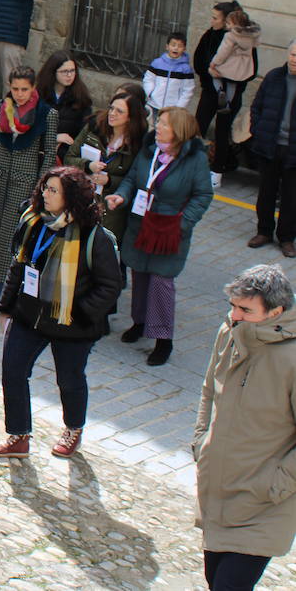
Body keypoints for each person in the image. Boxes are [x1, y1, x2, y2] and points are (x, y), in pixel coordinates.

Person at [0, 166, 124, 460]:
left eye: (53, 191)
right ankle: (19, 435)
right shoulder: (33, 221)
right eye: (45, 188)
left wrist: (78, 313)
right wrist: (6, 307)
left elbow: (111, 285)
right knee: (13, 371)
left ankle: (73, 428)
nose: (45, 195)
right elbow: (19, 265)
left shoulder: (94, 237)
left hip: (73, 327)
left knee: (69, 380)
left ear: (70, 197)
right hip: (29, 315)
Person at [194, 264, 296, 591]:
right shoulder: (229, 333)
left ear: (276, 312)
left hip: (264, 504)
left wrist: (275, 485)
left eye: (245, 309)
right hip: (220, 488)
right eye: (233, 306)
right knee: (215, 581)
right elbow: (209, 389)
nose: (234, 315)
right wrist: (200, 441)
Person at [106, 106, 214, 365]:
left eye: (164, 124)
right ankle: (140, 323)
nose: (158, 128)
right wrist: (121, 195)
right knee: (140, 274)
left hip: (169, 229)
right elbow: (133, 179)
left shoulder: (195, 159)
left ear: (178, 131)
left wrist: (183, 224)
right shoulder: (149, 149)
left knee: (161, 282)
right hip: (141, 224)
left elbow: (203, 195)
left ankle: (163, 339)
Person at [0, 66, 60, 307]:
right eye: (15, 88)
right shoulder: (1, 108)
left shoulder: (46, 114)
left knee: (10, 230)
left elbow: (48, 154)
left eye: (24, 89)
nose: (19, 94)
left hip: (25, 180)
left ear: (33, 88)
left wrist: (41, 187)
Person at [64, 92, 147, 242]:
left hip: (110, 211)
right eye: (111, 108)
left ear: (130, 117)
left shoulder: (137, 143)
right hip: (83, 199)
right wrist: (88, 165)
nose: (112, 113)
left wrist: (109, 181)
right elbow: (69, 158)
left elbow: (133, 179)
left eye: (119, 111)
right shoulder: (94, 127)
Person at [246, 39, 296, 257]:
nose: (295, 59)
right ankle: (264, 231)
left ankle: (286, 238)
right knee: (266, 192)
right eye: (293, 54)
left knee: (291, 197)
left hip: (293, 149)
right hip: (270, 145)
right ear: (288, 54)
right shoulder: (274, 77)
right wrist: (257, 130)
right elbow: (257, 106)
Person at [208, 8, 261, 179]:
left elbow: (222, 53)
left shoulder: (230, 36)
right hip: (243, 73)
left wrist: (213, 64)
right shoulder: (251, 37)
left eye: (228, 23)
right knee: (232, 93)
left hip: (228, 70)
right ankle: (227, 101)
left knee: (218, 81)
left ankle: (223, 99)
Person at [193, 1, 242, 176]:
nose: (212, 21)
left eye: (215, 18)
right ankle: (190, 164)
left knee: (222, 132)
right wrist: (209, 74)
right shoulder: (209, 35)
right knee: (197, 128)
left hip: (230, 96)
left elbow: (248, 71)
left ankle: (217, 171)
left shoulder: (241, 40)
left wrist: (226, 75)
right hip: (209, 92)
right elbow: (198, 61)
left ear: (227, 21)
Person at [36, 50, 93, 162]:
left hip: (65, 155)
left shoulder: (81, 98)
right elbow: (30, 128)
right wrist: (53, 138)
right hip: (37, 152)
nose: (69, 75)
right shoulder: (39, 95)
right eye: (64, 71)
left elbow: (84, 132)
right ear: (53, 72)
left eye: (72, 71)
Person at [143, 32, 197, 119]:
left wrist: (179, 107)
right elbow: (148, 79)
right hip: (154, 105)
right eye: (173, 45)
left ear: (184, 49)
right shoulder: (157, 63)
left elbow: (188, 89)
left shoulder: (186, 69)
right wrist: (150, 93)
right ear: (167, 46)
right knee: (152, 129)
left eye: (180, 46)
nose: (176, 48)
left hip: (172, 109)